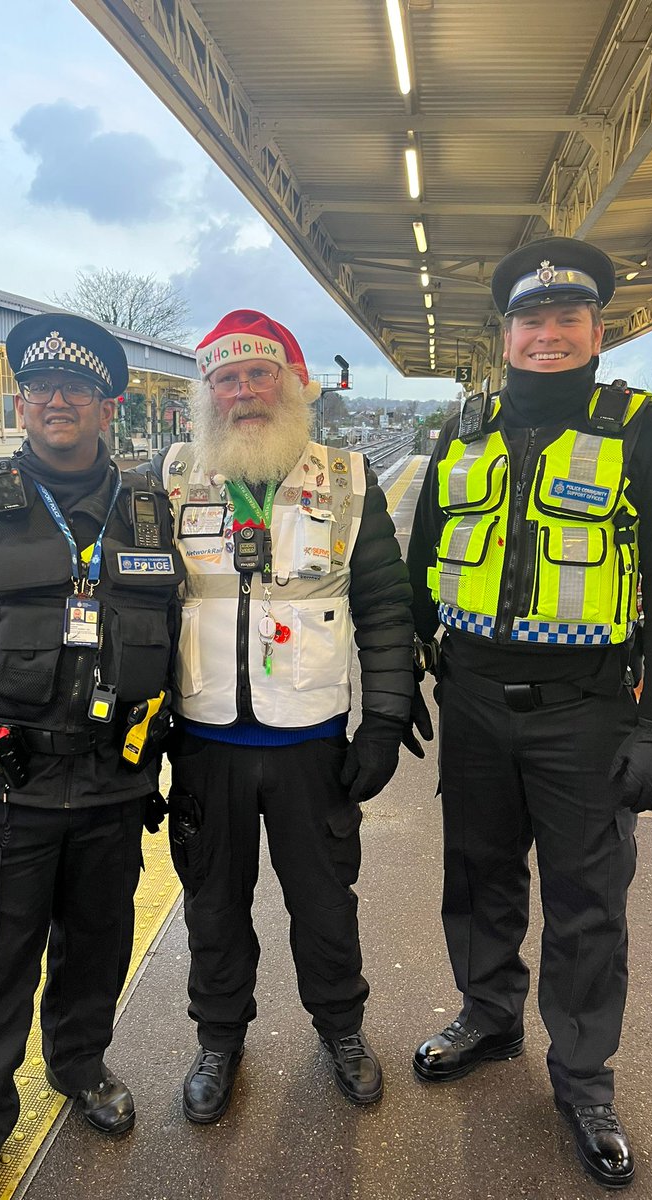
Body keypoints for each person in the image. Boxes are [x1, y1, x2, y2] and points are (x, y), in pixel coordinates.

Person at [406, 237, 652, 1189]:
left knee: (586, 904)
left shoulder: (645, 434)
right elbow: (420, 566)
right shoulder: (465, 428)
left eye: (566, 319)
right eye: (530, 320)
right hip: (476, 703)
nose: (547, 334)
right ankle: (489, 1017)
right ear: (506, 335)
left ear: (596, 332)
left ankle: (583, 1080)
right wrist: (400, 683)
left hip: (587, 712)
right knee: (479, 872)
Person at [0, 313, 181, 1200]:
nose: (59, 402)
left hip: (110, 784)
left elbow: (179, 639)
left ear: (108, 407)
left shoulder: (146, 509)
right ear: (22, 404)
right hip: (2, 789)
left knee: (97, 946)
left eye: (79, 391)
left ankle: (79, 1066)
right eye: (43, 390)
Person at [150, 308, 431, 1123]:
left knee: (324, 902)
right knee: (212, 905)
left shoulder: (347, 479)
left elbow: (384, 605)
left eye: (258, 374)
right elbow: (138, 605)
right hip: (204, 745)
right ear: (208, 395)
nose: (243, 393)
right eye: (225, 380)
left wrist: (383, 719)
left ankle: (341, 1029)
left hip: (314, 743)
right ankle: (219, 1039)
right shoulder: (170, 478)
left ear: (293, 384)